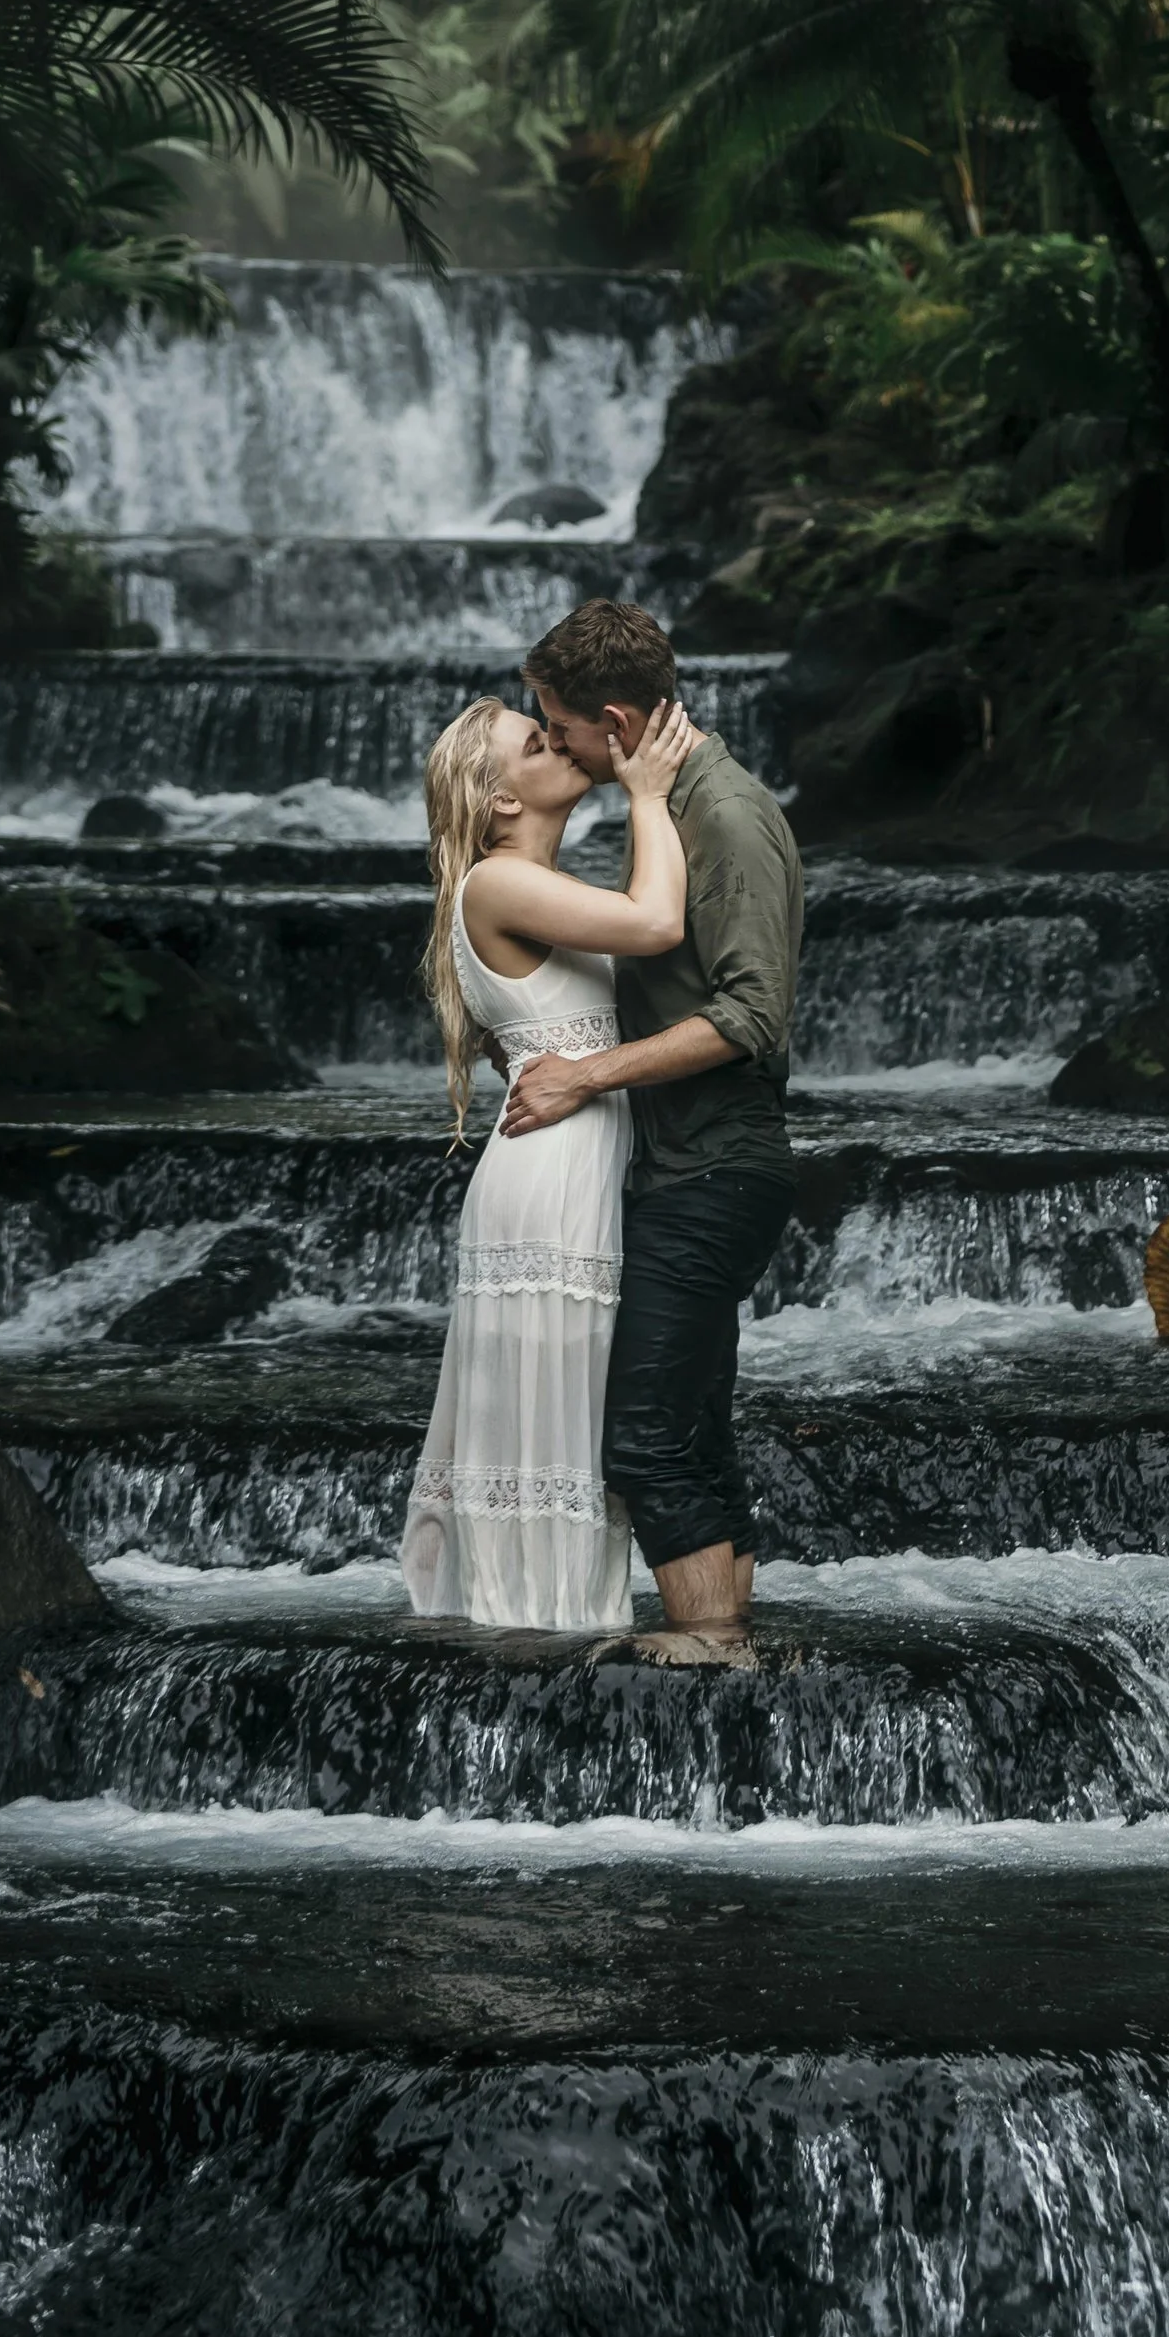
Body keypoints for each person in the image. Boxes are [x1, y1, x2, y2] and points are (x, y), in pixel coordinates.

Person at [498, 599, 804, 1665]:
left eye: (561, 727)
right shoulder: (671, 807)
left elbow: (753, 1015)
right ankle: (731, 1649)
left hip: (715, 1170)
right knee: (693, 1430)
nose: (556, 746)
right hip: (686, 1168)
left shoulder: (726, 816)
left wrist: (584, 1075)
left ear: (617, 724)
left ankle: (709, 1644)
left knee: (642, 1438)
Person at [402, 687, 700, 1628]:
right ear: (501, 799)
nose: (563, 745)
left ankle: (550, 1621)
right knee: (553, 1425)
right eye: (537, 743)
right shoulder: (498, 882)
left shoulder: (533, 884)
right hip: (551, 1177)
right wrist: (647, 794)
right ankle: (535, 1630)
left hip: (576, 1162)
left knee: (571, 1422)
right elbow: (657, 924)